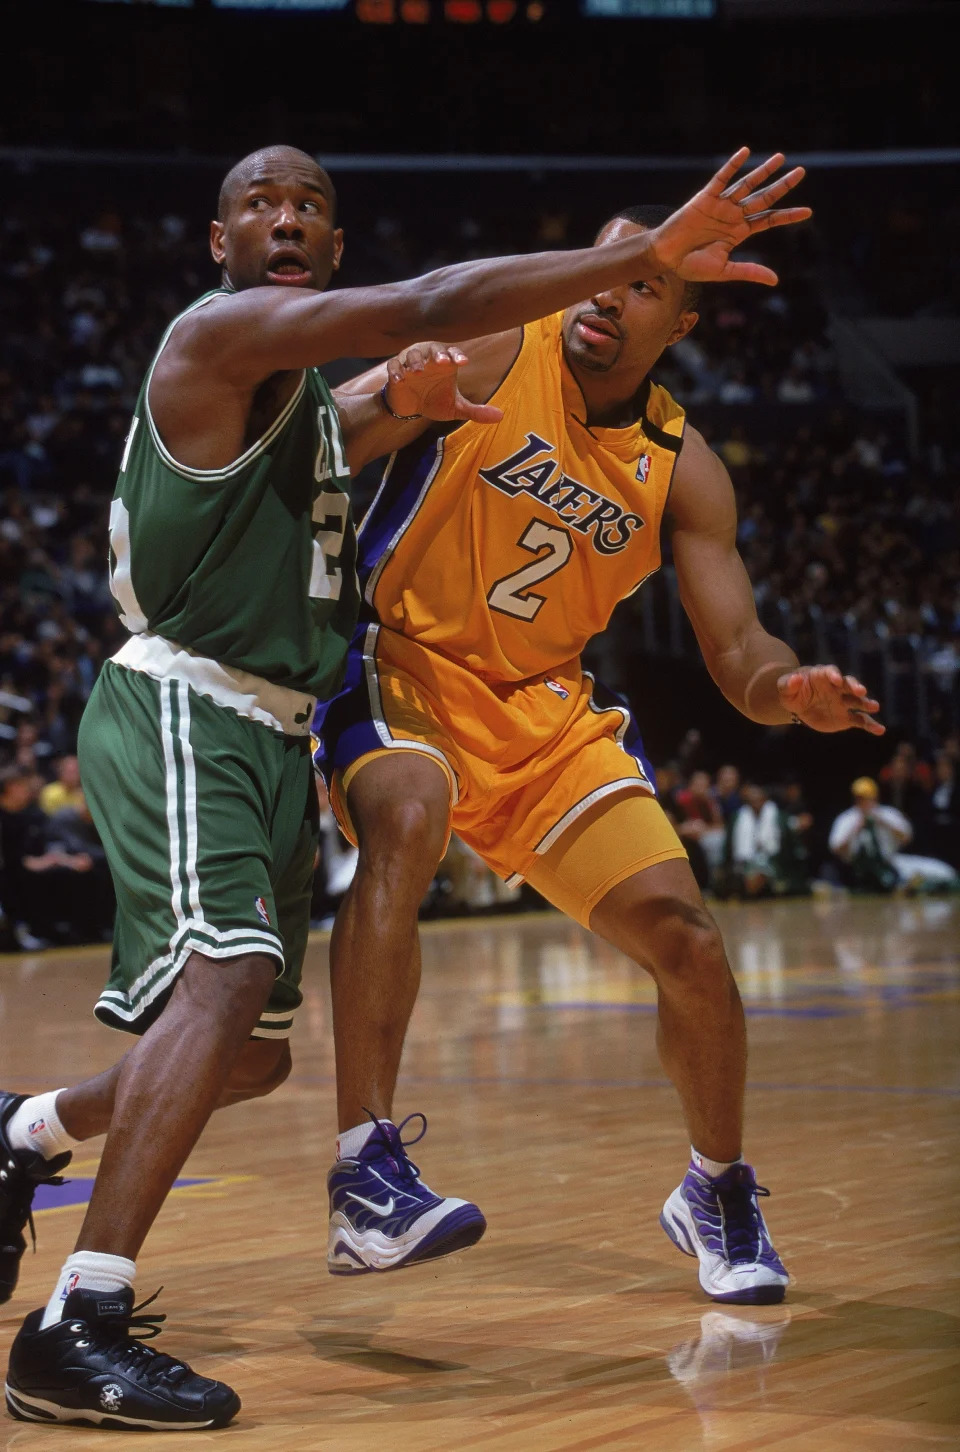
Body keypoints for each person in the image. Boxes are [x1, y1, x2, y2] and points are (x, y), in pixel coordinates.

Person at [0, 143, 811, 1431]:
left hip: (445, 715)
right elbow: (422, 317)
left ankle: (30, 1131)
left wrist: (783, 690)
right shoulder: (255, 337)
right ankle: (110, 1301)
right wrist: (613, 264)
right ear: (220, 242)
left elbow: (363, 408)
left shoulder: (658, 459)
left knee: (253, 1057)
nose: (285, 219)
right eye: (259, 203)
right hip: (296, 684)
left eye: (311, 205)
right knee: (268, 948)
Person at [314, 201, 885, 1308]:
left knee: (690, 941)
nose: (605, 295)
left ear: (679, 324)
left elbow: (737, 650)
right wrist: (390, 400)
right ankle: (364, 1173)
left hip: (546, 715)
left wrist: (789, 691)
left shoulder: (684, 466)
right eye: (606, 268)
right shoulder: (497, 342)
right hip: (399, 666)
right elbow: (316, 447)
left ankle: (715, 1188)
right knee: (409, 820)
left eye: (642, 286)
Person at [828, 777, 958, 893]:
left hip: (890, 863)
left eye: (867, 797)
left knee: (943, 871)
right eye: (860, 798)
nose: (864, 802)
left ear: (875, 796)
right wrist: (855, 830)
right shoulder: (847, 818)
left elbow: (907, 838)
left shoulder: (887, 814)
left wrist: (884, 823)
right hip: (857, 870)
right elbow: (835, 848)